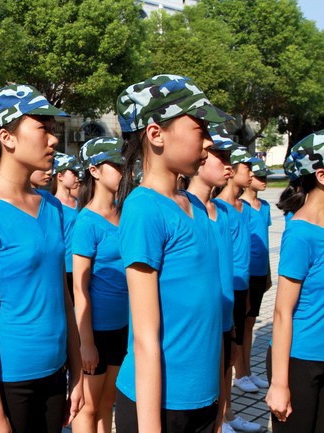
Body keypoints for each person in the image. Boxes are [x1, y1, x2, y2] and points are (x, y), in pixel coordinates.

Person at [0, 84, 84, 433]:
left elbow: (63, 295)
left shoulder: (52, 206)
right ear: (7, 137)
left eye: (53, 130)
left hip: (55, 371)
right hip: (10, 378)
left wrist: (76, 373)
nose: (54, 140)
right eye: (42, 128)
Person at [113, 74, 229, 433]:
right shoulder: (144, 209)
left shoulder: (196, 206)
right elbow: (145, 337)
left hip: (203, 398)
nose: (209, 142)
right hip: (160, 405)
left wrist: (220, 400)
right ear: (156, 134)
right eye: (199, 129)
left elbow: (212, 313)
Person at [185, 125, 243, 433]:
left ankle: (225, 418)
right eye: (220, 156)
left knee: (224, 375)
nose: (228, 165)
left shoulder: (224, 211)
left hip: (223, 320)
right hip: (194, 329)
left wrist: (231, 323)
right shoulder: (183, 210)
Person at [266, 130, 324, 432]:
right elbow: (281, 311)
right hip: (300, 362)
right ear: (321, 175)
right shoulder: (301, 233)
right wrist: (279, 383)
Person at [71, 137, 127, 433]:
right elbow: (79, 289)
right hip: (97, 330)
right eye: (116, 165)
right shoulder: (86, 223)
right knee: (88, 406)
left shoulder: (125, 213)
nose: (123, 172)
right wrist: (87, 343)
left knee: (108, 401)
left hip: (124, 326)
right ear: (94, 171)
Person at [213, 149, 258, 396]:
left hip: (243, 282)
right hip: (227, 286)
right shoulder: (217, 208)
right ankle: (225, 408)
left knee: (238, 337)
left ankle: (230, 405)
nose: (251, 174)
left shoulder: (244, 207)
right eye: (247, 169)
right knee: (227, 345)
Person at [239, 158, 272, 391]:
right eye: (260, 176)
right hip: (245, 273)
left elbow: (265, 241)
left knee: (250, 322)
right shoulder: (240, 207)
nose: (264, 180)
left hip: (260, 272)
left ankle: (248, 371)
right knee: (241, 324)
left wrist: (268, 272)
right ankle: (240, 373)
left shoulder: (265, 206)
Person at [51, 152, 80, 303]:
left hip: (82, 265)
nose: (77, 177)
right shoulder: (52, 205)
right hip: (65, 268)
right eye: (73, 173)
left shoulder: (80, 203)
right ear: (60, 176)